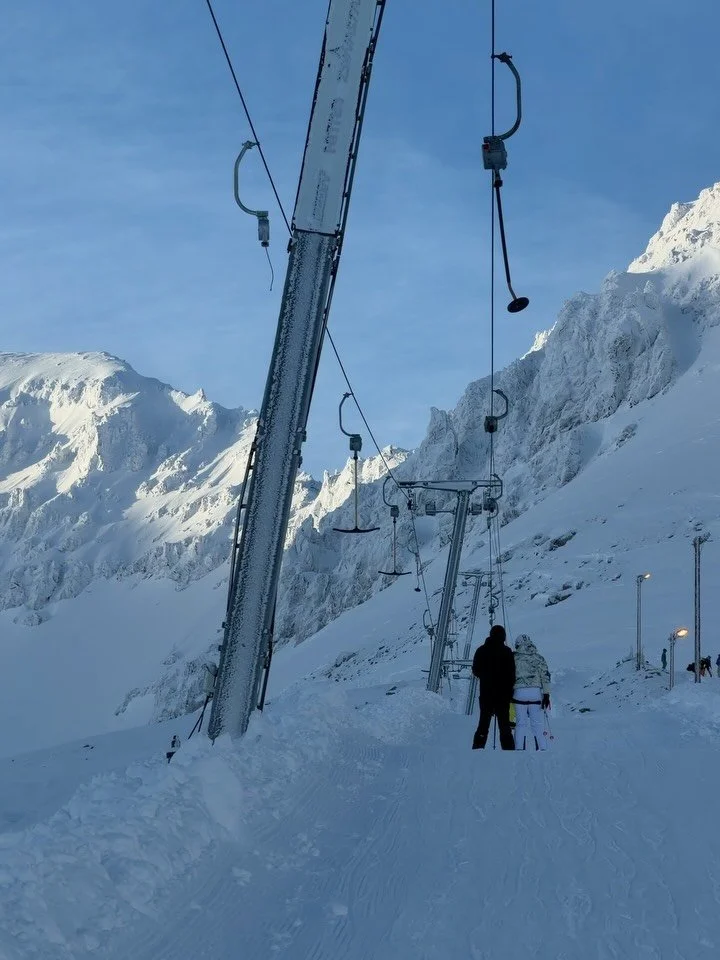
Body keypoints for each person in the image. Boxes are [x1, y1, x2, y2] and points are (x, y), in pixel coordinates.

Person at [471, 624, 515, 750]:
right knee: (504, 726)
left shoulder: (481, 650)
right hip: (503, 695)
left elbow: (475, 670)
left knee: (483, 725)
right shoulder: (507, 652)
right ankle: (509, 752)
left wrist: (486, 676)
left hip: (486, 694)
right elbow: (512, 674)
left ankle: (477, 749)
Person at [513, 634, 551, 751]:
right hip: (535, 693)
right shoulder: (539, 658)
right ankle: (542, 748)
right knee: (537, 723)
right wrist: (546, 695)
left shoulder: (513, 658)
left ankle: (519, 749)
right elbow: (545, 677)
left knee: (520, 723)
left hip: (519, 693)